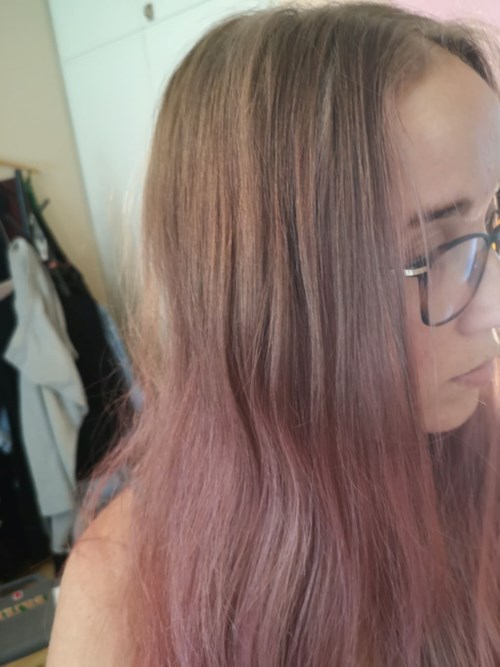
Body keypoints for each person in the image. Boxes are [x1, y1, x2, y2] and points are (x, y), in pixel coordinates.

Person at [47, 2, 500, 665]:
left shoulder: (484, 473)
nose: (491, 307)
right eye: (431, 252)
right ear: (276, 297)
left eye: (492, 223)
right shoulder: (125, 594)